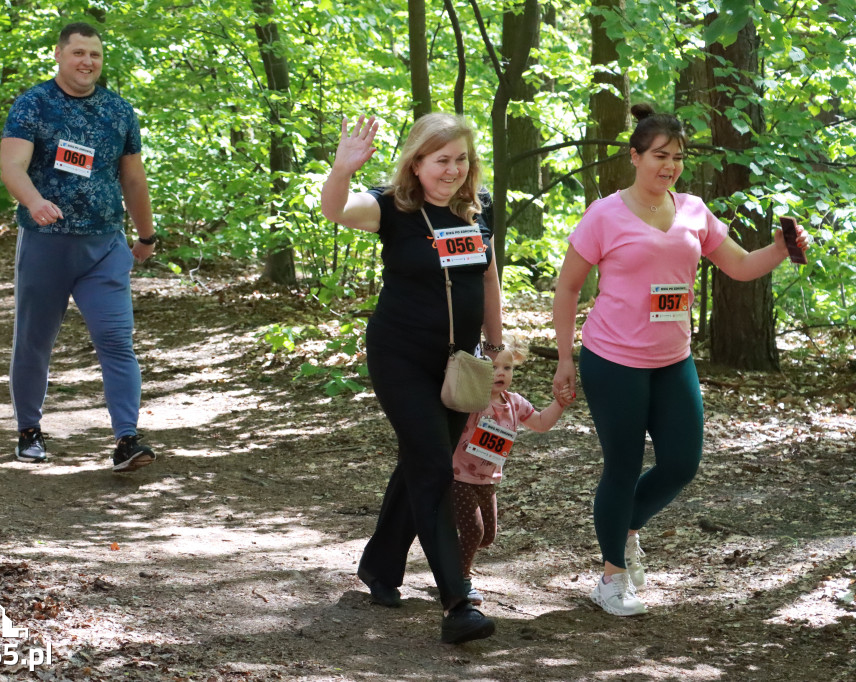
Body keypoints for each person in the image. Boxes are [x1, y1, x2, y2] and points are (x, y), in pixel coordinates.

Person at [551, 103, 810, 616]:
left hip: (673, 360)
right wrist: (564, 358)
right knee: (622, 468)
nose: (669, 166)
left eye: (677, 157)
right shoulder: (604, 214)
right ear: (635, 157)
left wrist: (781, 249)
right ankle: (612, 577)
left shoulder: (693, 210)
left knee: (681, 463)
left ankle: (625, 529)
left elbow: (737, 265)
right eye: (659, 156)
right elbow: (568, 288)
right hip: (613, 360)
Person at [320, 113, 503, 644]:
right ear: (417, 163)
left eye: (461, 159)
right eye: (441, 160)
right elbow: (336, 209)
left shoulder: (478, 208)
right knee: (431, 466)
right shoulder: (393, 208)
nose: (453, 170)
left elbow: (488, 276)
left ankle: (379, 566)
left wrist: (494, 348)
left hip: (458, 364)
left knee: (420, 463)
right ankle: (456, 601)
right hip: (400, 357)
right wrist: (342, 169)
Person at [0, 22, 158, 472]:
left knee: (116, 341)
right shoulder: (33, 104)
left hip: (104, 247)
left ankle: (127, 439)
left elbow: (132, 177)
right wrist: (34, 202)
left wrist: (145, 235)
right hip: (46, 245)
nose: (87, 62)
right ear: (59, 55)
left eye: (95, 55)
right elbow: (12, 165)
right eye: (79, 53)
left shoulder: (119, 111)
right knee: (34, 342)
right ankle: (29, 431)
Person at [452, 344, 569, 605]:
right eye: (492, 367)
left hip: (487, 481)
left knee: (487, 535)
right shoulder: (472, 399)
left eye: (506, 367)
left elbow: (540, 422)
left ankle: (449, 560)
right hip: (457, 477)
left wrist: (559, 403)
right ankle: (459, 582)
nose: (499, 372)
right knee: (474, 531)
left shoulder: (514, 403)